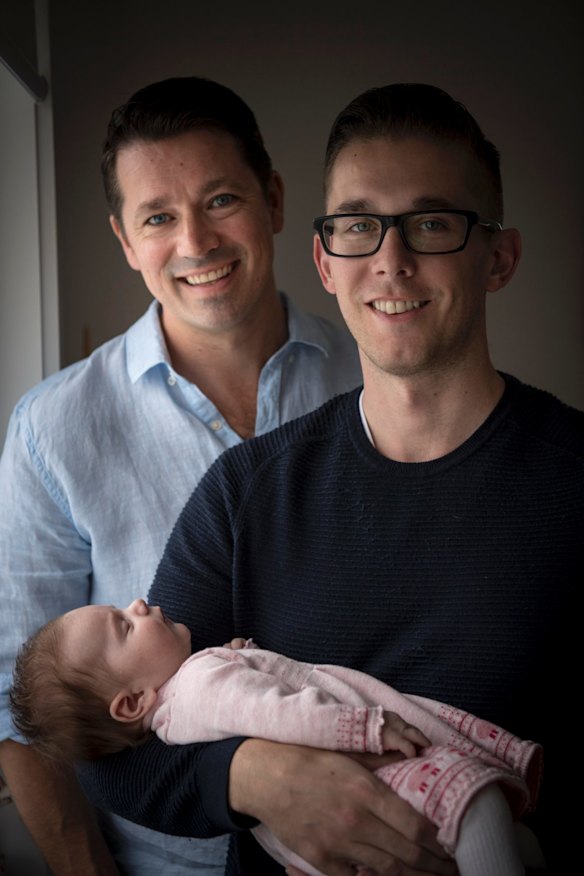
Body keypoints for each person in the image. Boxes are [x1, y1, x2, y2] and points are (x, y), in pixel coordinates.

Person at [78, 83, 582, 876]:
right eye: (357, 226)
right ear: (324, 259)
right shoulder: (245, 494)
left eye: (431, 222)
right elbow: (110, 751)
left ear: (500, 258)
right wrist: (257, 777)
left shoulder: (575, 479)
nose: (390, 258)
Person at [0, 76, 362, 876]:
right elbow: (19, 714)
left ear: (272, 199)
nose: (195, 242)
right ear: (126, 241)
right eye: (159, 217)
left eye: (221, 199)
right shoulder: (51, 431)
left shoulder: (370, 377)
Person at [10, 599, 542, 876]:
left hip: (315, 838)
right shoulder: (199, 688)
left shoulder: (185, 704)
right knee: (476, 802)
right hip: (372, 772)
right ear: (132, 703)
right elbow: (284, 714)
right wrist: (368, 727)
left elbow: (246, 695)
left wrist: (239, 657)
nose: (139, 605)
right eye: (123, 627)